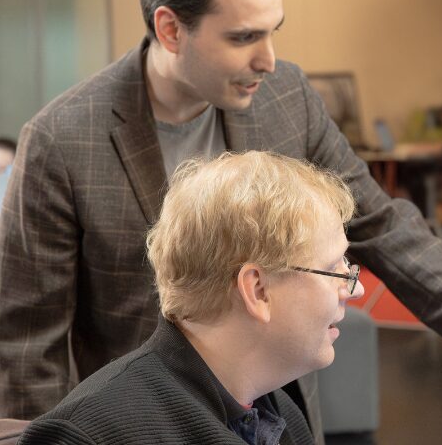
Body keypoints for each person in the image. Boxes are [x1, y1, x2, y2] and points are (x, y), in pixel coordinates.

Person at [0, 0, 442, 432]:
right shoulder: (61, 140)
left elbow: (378, 222)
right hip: (141, 427)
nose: (269, 60)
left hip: (276, 418)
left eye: (273, 31)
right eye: (243, 37)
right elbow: (28, 350)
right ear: (171, 28)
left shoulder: (286, 99)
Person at [19, 151, 358, 444]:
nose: (355, 288)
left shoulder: (280, 416)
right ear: (257, 290)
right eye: (334, 269)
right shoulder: (89, 436)